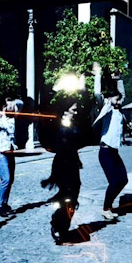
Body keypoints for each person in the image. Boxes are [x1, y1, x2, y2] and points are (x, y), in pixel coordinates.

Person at [40, 95, 89, 244]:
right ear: (65, 111)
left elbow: (79, 141)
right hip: (62, 164)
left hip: (72, 163)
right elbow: (59, 146)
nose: (76, 112)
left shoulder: (73, 125)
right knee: (67, 195)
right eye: (74, 109)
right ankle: (57, 225)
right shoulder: (59, 126)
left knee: (74, 194)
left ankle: (63, 227)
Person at [93, 78, 128, 221]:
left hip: (114, 152)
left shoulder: (119, 111)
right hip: (105, 151)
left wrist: (120, 79)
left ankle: (109, 206)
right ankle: (106, 208)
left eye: (119, 100)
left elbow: (122, 96)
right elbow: (97, 95)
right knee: (114, 181)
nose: (119, 102)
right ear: (109, 99)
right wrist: (98, 75)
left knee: (123, 179)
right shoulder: (107, 109)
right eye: (116, 99)